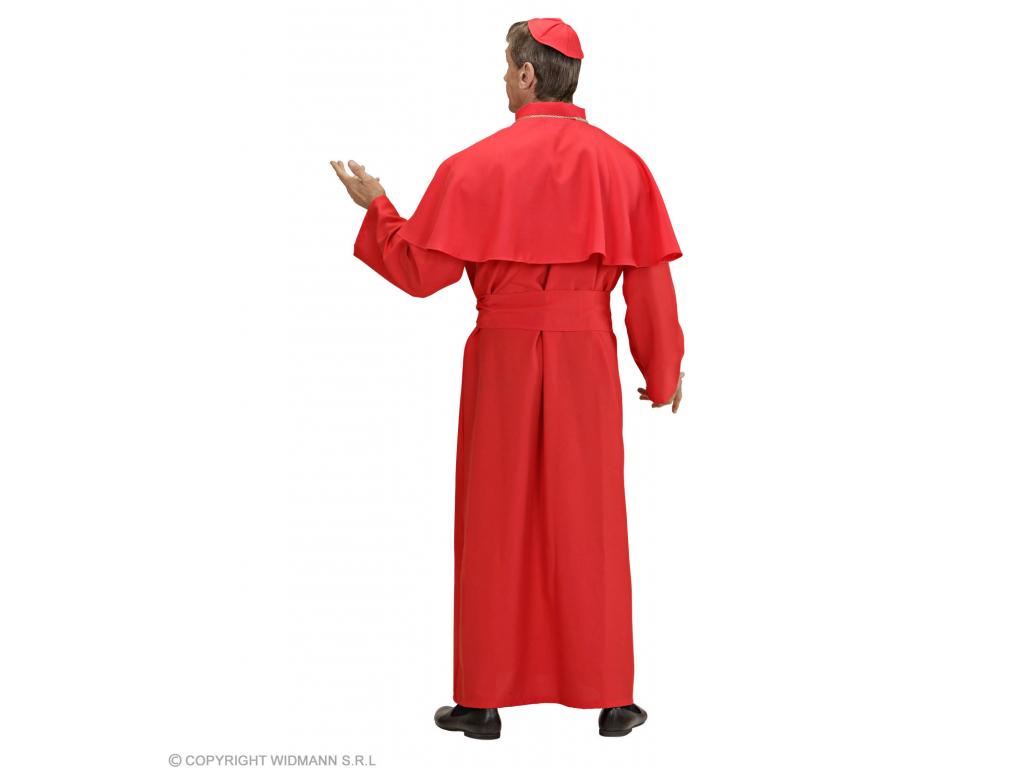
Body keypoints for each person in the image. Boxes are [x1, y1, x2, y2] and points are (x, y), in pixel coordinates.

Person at [330, 17, 684, 739]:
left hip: (502, 358)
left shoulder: (474, 166)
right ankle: (612, 698)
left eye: (505, 67)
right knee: (591, 522)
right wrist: (662, 367)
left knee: (494, 522)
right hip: (586, 361)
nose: (501, 78)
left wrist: (379, 208)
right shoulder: (624, 167)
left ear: (527, 74)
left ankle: (483, 700)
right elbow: (649, 283)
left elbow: (420, 270)